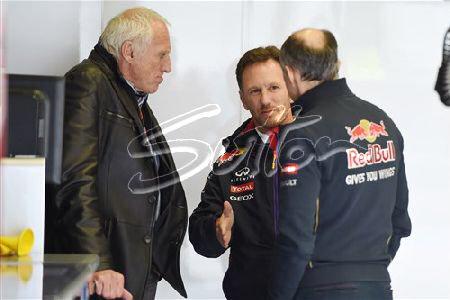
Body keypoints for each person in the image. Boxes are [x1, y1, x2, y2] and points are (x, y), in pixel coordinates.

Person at [268, 28, 412, 300]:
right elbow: (400, 220)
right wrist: (366, 271)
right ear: (336, 65)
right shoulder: (383, 123)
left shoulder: (301, 133)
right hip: (378, 286)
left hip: (319, 287)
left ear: (290, 72)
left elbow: (296, 237)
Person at [55, 7, 187, 300]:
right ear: (129, 52)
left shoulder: (128, 94)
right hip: (105, 276)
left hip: (130, 269)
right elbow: (74, 180)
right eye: (162, 55)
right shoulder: (88, 82)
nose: (168, 67)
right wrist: (97, 262)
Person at [189, 46, 295, 300]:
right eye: (255, 91)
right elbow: (198, 228)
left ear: (290, 87)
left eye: (273, 87)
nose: (265, 100)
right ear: (243, 99)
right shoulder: (229, 159)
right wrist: (215, 230)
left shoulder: (321, 142)